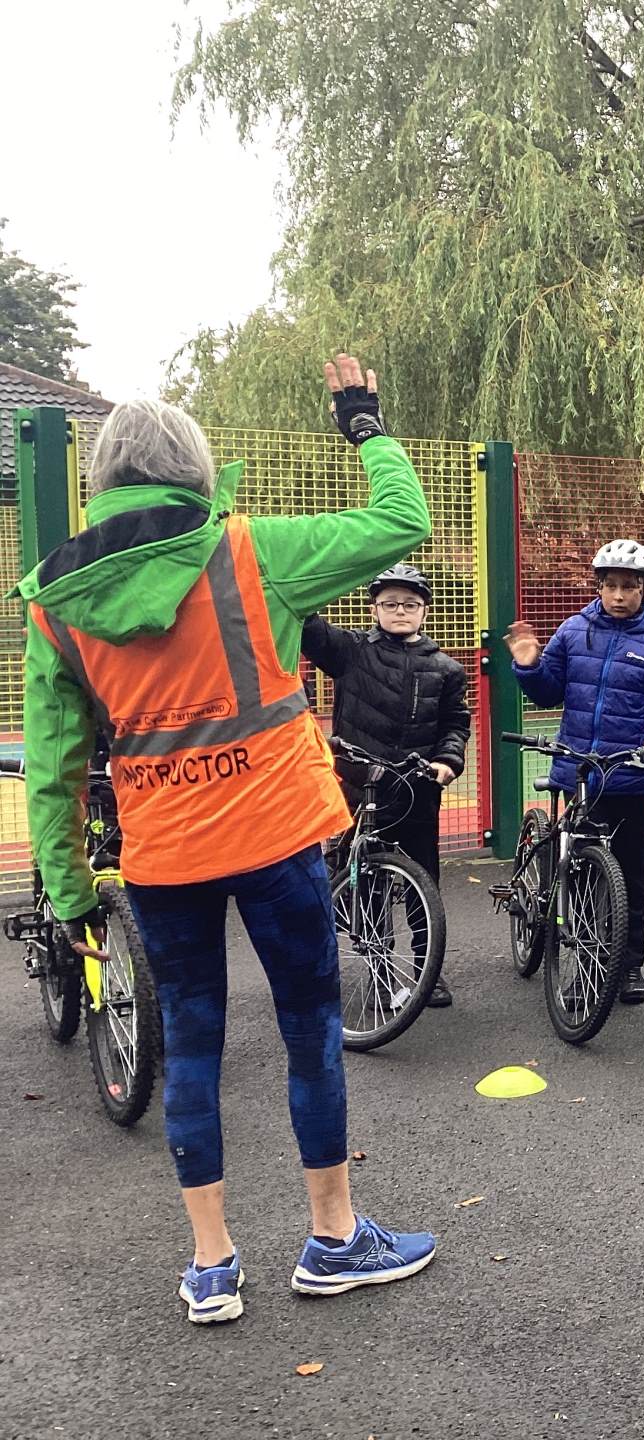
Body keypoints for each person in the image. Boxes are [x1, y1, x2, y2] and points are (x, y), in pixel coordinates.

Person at [18, 355, 439, 1324]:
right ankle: (333, 1238)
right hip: (278, 835)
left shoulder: (55, 601)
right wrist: (364, 423)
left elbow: (53, 767)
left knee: (193, 1044)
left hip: (163, 856)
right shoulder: (252, 551)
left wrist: (72, 892)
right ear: (196, 469)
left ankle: (212, 1265)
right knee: (309, 1032)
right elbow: (402, 520)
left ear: (101, 481)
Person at [504, 540, 644, 1004]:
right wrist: (528, 666)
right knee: (583, 876)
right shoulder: (573, 631)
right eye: (611, 586)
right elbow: (548, 692)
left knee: (630, 877)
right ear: (599, 587)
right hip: (580, 774)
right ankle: (586, 967)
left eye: (629, 586)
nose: (619, 595)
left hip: (630, 778)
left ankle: (628, 967)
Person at [302, 562, 471, 1006]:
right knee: (364, 882)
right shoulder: (351, 651)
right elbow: (308, 628)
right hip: (360, 786)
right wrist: (307, 578)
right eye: (390, 603)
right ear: (374, 608)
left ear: (425, 611)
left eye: (410, 604)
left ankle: (428, 972)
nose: (400, 611)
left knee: (423, 882)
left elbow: (455, 724)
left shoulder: (446, 669)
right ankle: (380, 970)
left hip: (416, 788)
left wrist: (447, 761)